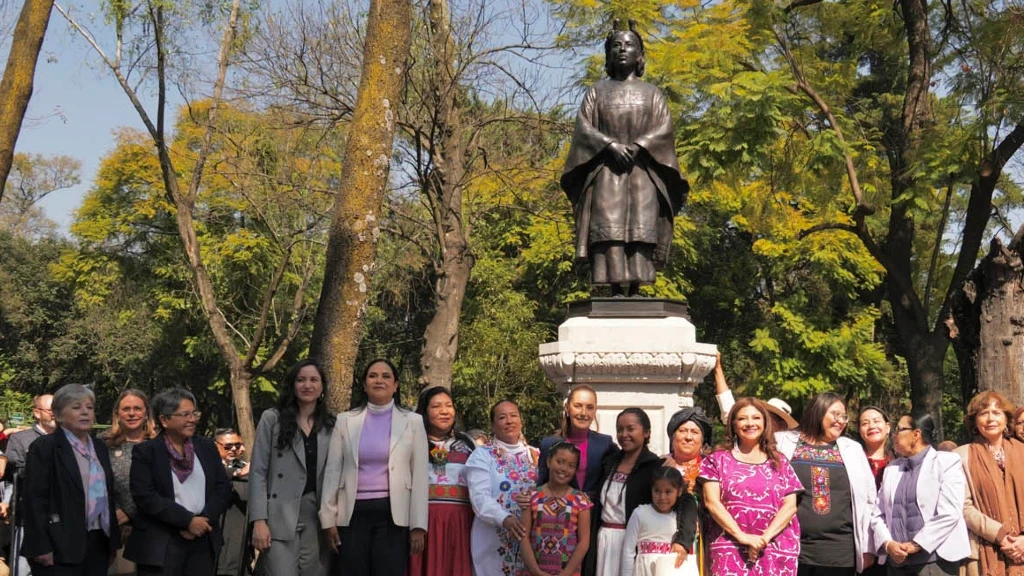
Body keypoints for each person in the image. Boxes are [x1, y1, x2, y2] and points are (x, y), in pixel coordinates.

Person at [559, 20, 689, 295]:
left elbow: (664, 128)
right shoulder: (596, 92)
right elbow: (584, 128)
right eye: (616, 45)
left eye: (629, 45)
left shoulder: (653, 94)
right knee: (610, 227)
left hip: (643, 171)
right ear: (608, 54)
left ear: (640, 55)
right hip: (607, 171)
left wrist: (641, 145)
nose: (622, 50)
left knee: (641, 226)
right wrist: (609, 146)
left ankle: (636, 287)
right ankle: (614, 286)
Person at [319, 359, 428, 576]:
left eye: (386, 376)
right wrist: (328, 518)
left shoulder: (413, 422)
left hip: (393, 516)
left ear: (396, 385)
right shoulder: (345, 421)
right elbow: (332, 471)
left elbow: (420, 476)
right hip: (352, 515)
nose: (379, 380)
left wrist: (418, 525)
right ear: (364, 384)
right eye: (373, 376)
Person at [124, 388, 233, 576]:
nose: (192, 419)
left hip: (202, 537)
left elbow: (223, 488)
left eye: (194, 413)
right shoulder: (146, 451)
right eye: (185, 414)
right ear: (164, 420)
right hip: (162, 542)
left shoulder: (206, 447)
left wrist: (202, 521)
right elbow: (145, 496)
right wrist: (187, 521)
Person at [21, 384, 120, 576]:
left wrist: (112, 542)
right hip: (59, 545)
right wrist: (40, 546)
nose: (85, 412)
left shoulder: (99, 447)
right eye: (76, 407)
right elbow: (34, 500)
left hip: (98, 541)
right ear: (58, 415)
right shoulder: (45, 447)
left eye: (89, 407)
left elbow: (108, 495)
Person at [775, 392, 877, 576]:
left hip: (840, 553)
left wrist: (868, 546)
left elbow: (870, 499)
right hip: (793, 548)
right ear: (818, 411)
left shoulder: (851, 449)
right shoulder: (784, 441)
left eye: (844, 416)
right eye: (835, 414)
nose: (841, 420)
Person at [698, 397, 802, 576]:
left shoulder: (780, 462)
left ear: (764, 422)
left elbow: (790, 506)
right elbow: (712, 502)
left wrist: (763, 539)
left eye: (756, 418)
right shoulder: (717, 460)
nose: (750, 423)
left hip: (774, 548)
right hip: (730, 548)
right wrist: (742, 537)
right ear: (733, 424)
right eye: (742, 418)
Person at [249, 359, 334, 576]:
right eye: (301, 380)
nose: (308, 385)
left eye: (314, 380)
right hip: (279, 514)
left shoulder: (331, 425)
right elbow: (258, 472)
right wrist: (259, 520)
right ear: (292, 385)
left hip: (317, 517)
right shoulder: (272, 419)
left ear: (322, 386)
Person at [869, 411, 969, 576]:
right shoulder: (892, 469)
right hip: (897, 564)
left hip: (935, 561)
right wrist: (888, 544)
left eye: (899, 429)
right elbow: (877, 514)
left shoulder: (946, 463)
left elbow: (950, 513)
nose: (894, 435)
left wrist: (917, 544)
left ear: (916, 434)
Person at [537, 386, 616, 576]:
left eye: (589, 407)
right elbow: (540, 482)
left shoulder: (604, 444)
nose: (583, 413)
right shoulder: (549, 444)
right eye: (578, 406)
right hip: (554, 518)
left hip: (591, 517)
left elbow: (628, 462)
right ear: (567, 407)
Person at [465, 400, 539, 576]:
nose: (509, 421)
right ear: (493, 424)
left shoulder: (536, 455)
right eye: (502, 417)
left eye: (514, 416)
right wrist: (504, 518)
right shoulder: (482, 456)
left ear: (521, 421)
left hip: (532, 539)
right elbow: (479, 498)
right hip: (494, 538)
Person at [954, 391, 1024, 576]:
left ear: (1006, 419)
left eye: (997, 412)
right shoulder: (961, 456)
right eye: (983, 413)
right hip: (982, 551)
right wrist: (1001, 536)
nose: (990, 418)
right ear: (975, 421)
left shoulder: (1022, 452)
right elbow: (963, 507)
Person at [407, 387, 475, 576]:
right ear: (424, 411)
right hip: (424, 524)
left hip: (460, 524)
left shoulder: (468, 445)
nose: (444, 411)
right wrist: (415, 526)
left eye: (449, 406)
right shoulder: (412, 443)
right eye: (436, 406)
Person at [594, 408, 662, 576]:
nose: (624, 434)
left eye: (630, 429)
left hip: (632, 542)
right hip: (604, 540)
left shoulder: (654, 467)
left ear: (646, 432)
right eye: (620, 429)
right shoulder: (609, 462)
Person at [103, 389, 157, 576]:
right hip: (111, 530)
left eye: (137, 408)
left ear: (146, 413)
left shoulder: (159, 445)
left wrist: (128, 512)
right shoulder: (103, 444)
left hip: (150, 529)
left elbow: (164, 487)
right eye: (126, 409)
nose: (132, 413)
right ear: (117, 413)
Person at [520, 442, 593, 576]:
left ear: (576, 470)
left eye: (571, 465)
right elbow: (523, 537)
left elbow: (584, 542)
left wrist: (566, 573)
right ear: (548, 462)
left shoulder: (581, 501)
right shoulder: (530, 497)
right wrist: (535, 571)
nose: (564, 468)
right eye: (560, 461)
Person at [662, 407, 714, 574]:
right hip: (664, 539)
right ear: (672, 436)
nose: (688, 437)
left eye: (694, 432)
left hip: (705, 542)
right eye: (682, 431)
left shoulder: (713, 469)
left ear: (703, 438)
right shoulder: (659, 466)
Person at [621, 467, 698, 576]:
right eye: (657, 491)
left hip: (668, 570)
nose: (662, 497)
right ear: (651, 489)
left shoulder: (678, 517)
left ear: (679, 492)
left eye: (668, 492)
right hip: (643, 571)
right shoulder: (640, 513)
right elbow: (628, 551)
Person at [712, 353, 798, 431]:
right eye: (764, 415)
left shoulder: (784, 447)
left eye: (772, 418)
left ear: (782, 425)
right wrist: (717, 368)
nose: (766, 420)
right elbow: (727, 405)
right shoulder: (748, 433)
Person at [213, 428, 249, 576]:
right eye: (228, 446)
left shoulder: (246, 467)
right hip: (219, 531)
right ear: (215, 446)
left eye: (238, 445)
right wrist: (237, 473)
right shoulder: (210, 467)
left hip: (243, 534)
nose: (234, 449)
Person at [857, 406, 893, 491]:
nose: (872, 426)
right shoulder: (853, 462)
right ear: (860, 432)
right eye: (865, 423)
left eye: (876, 421)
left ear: (887, 427)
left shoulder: (900, 464)